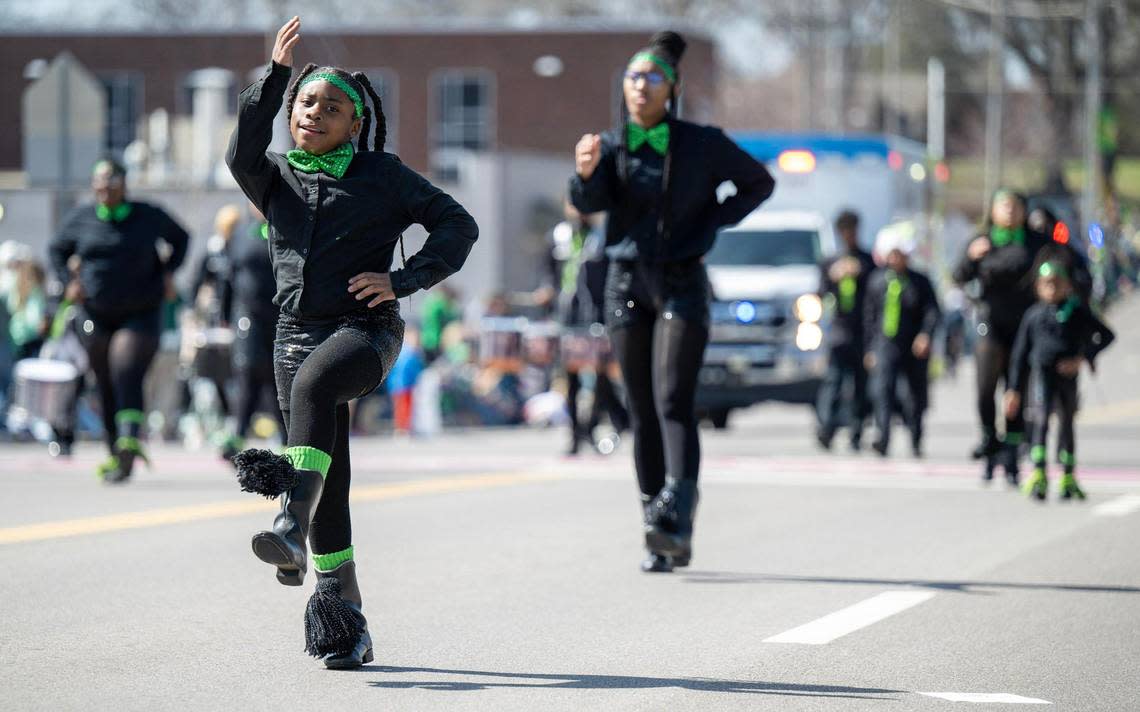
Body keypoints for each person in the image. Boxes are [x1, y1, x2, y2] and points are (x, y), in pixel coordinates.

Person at [226, 17, 477, 669]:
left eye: (331, 107)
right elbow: (239, 153)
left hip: (365, 333)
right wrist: (275, 77)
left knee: (316, 392)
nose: (315, 113)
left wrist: (403, 280)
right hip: (292, 337)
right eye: (306, 103)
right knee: (329, 486)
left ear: (354, 123)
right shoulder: (273, 177)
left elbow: (458, 223)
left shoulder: (382, 176)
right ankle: (346, 628)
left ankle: (288, 522)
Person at [569, 30, 775, 573]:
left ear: (672, 88)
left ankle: (678, 516)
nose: (641, 86)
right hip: (625, 282)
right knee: (640, 408)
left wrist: (712, 220)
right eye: (633, 77)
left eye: (652, 78)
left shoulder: (702, 143)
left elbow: (759, 182)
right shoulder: (611, 145)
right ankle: (653, 531)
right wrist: (585, 172)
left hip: (682, 281)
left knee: (673, 401)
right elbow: (589, 202)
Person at [49, 158, 190, 483]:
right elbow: (57, 248)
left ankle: (129, 437)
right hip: (96, 313)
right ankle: (116, 453)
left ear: (124, 185)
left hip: (141, 311)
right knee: (104, 380)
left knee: (125, 367)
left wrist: (169, 272)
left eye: (110, 185)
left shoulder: (147, 215)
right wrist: (67, 282)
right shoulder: (82, 218)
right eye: (99, 186)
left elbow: (181, 238)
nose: (104, 192)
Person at [1005, 253, 1115, 501]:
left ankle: (1068, 475)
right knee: (1041, 420)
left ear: (1067, 285)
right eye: (1047, 283)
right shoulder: (1033, 315)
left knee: (1066, 423)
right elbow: (1020, 354)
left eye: (1057, 283)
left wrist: (1083, 357)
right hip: (1042, 374)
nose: (1052, 288)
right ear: (1038, 287)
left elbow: (1106, 335)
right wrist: (1013, 389)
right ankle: (1039, 473)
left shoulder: (1076, 310)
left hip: (1068, 376)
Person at [952, 189, 1044, 482]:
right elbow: (958, 276)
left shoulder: (1035, 243)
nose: (1009, 211)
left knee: (1015, 390)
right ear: (992, 211)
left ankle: (1012, 454)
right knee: (984, 389)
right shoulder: (982, 242)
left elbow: (1066, 268)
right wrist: (970, 257)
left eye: (1016, 206)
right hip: (990, 323)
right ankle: (990, 439)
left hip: (1024, 326)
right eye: (1003, 206)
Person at [547, 201, 628, 455]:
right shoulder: (559, 237)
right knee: (571, 380)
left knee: (600, 378)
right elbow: (549, 273)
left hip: (594, 318)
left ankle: (592, 427)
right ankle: (574, 435)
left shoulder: (600, 238)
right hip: (567, 318)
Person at [864, 230, 941, 458]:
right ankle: (883, 437)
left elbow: (932, 312)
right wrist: (870, 348)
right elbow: (869, 318)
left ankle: (916, 438)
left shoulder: (920, 281)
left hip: (914, 344)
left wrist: (925, 335)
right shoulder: (877, 281)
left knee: (914, 394)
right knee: (882, 391)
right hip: (885, 343)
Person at [219, 203, 285, 460]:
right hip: (247, 315)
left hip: (280, 315)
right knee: (247, 370)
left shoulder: (286, 229)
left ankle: (286, 436)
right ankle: (236, 434)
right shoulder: (241, 234)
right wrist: (224, 314)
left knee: (278, 374)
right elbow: (228, 276)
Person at [815, 210, 876, 451]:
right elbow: (820, 294)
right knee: (834, 381)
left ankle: (857, 431)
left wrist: (861, 271)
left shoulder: (868, 260)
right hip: (839, 330)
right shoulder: (831, 261)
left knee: (860, 384)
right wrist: (833, 277)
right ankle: (826, 428)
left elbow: (875, 291)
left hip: (863, 332)